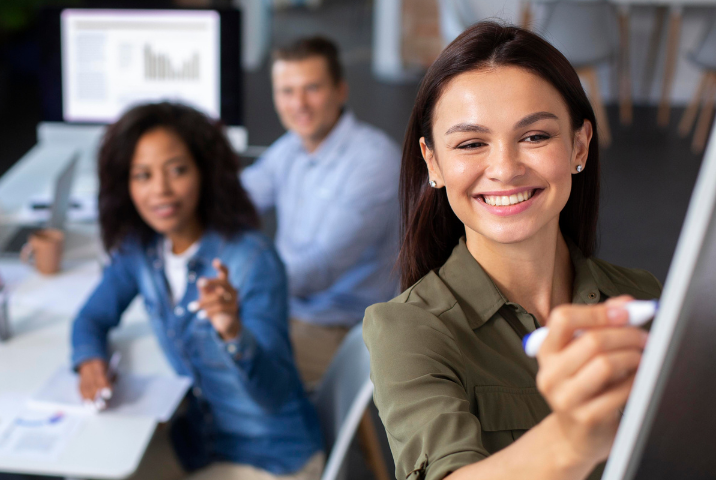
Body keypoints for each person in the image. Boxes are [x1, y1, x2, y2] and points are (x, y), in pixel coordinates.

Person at [363, 22, 662, 480]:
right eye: (471, 144)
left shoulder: (641, 297)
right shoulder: (408, 329)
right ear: (433, 163)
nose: (505, 169)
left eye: (535, 136)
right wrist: (571, 441)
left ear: (579, 144)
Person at [71, 103, 323, 480]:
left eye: (177, 170)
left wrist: (232, 331)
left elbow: (273, 394)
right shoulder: (141, 249)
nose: (160, 190)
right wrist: (89, 360)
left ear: (205, 171)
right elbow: (91, 317)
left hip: (270, 457)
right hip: (196, 444)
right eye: (142, 175)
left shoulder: (251, 259)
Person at [241, 36, 401, 389]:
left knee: (218, 359)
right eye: (286, 91)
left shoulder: (373, 162)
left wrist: (241, 284)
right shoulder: (292, 148)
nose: (298, 104)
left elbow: (321, 268)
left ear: (340, 91)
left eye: (311, 88)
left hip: (337, 330)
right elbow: (236, 201)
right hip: (287, 311)